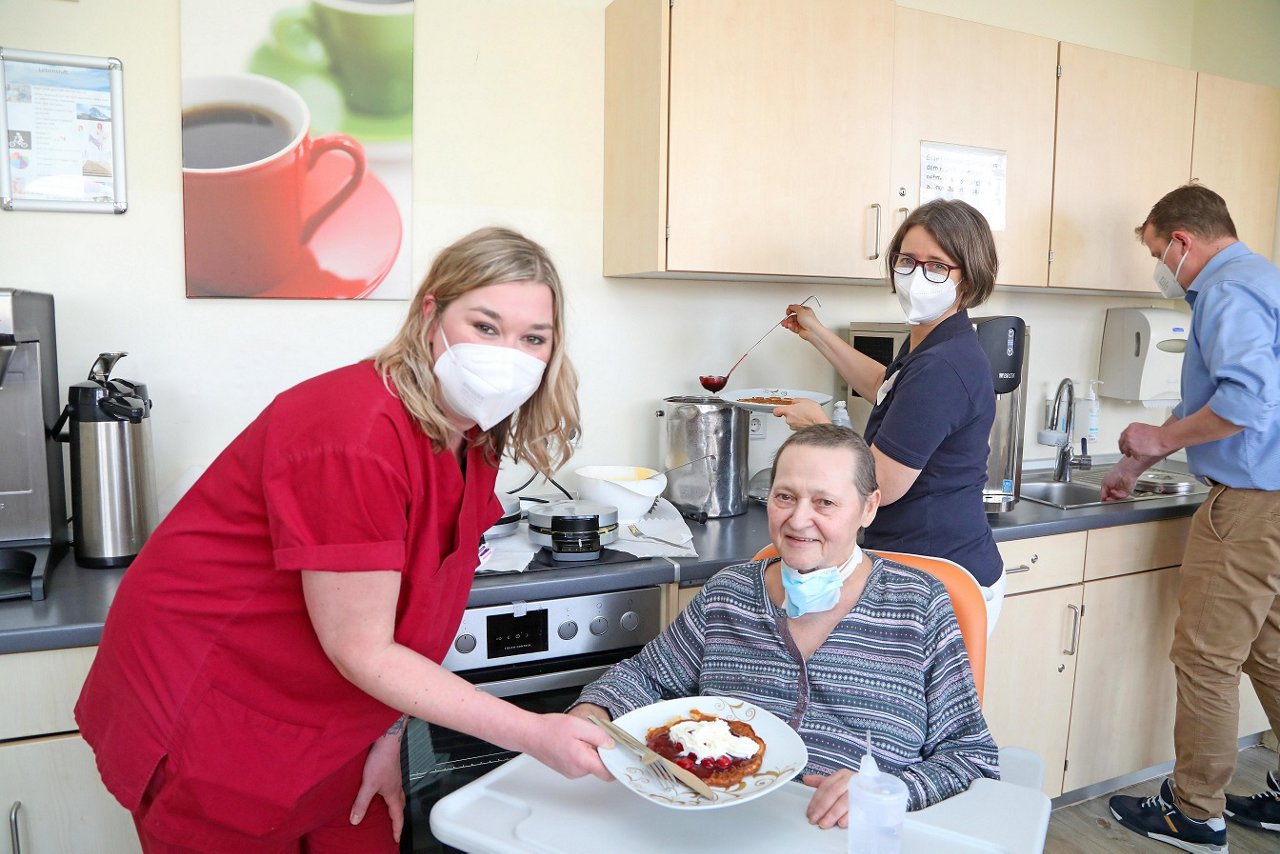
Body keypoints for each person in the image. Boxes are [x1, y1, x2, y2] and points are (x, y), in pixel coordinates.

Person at [74, 227, 612, 854]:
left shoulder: (468, 435)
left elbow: (417, 614)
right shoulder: (354, 430)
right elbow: (362, 646)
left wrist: (385, 738)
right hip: (218, 717)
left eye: (533, 339)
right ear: (429, 314)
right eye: (486, 327)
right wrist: (533, 734)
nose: (507, 355)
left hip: (338, 721)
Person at [569, 424, 999, 829]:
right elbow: (645, 677)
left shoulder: (919, 604)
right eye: (785, 497)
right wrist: (596, 710)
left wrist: (891, 789)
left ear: (868, 508)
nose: (797, 520)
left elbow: (970, 756)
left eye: (825, 502)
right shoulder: (729, 593)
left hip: (852, 834)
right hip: (719, 826)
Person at [1104, 184, 1280, 852]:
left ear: (1182, 240)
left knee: (1206, 660)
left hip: (1250, 504)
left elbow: (1244, 403)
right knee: (1270, 650)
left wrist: (1162, 441)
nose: (1159, 269)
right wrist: (1139, 461)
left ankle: (1194, 811)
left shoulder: (1226, 292)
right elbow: (1229, 398)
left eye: (1156, 252)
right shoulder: (1266, 280)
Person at [775, 199, 1005, 620]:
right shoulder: (934, 339)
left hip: (942, 576)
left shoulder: (943, 365)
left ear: (968, 278)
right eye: (907, 261)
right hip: (926, 565)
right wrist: (818, 334)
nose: (917, 277)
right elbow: (889, 388)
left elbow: (882, 483)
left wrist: (818, 427)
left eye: (936, 266)